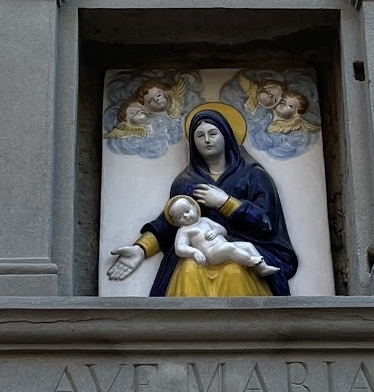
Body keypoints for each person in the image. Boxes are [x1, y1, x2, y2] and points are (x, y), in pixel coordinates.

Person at [106, 105, 297, 296]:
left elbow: (267, 222)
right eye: (199, 136)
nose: (206, 140)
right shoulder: (187, 182)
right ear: (193, 143)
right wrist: (141, 249)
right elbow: (170, 222)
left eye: (213, 133)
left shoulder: (254, 176)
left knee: (235, 270)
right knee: (189, 268)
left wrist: (226, 203)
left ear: (226, 136)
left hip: (242, 250)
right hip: (200, 253)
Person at [166, 194, 280, 276]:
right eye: (180, 217)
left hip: (222, 247)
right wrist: (195, 251)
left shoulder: (205, 220)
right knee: (229, 248)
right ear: (176, 222)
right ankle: (248, 260)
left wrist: (216, 231)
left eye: (187, 211)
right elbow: (180, 248)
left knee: (248, 245)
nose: (185, 216)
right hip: (211, 254)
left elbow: (222, 230)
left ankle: (262, 268)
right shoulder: (184, 231)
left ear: (195, 208)